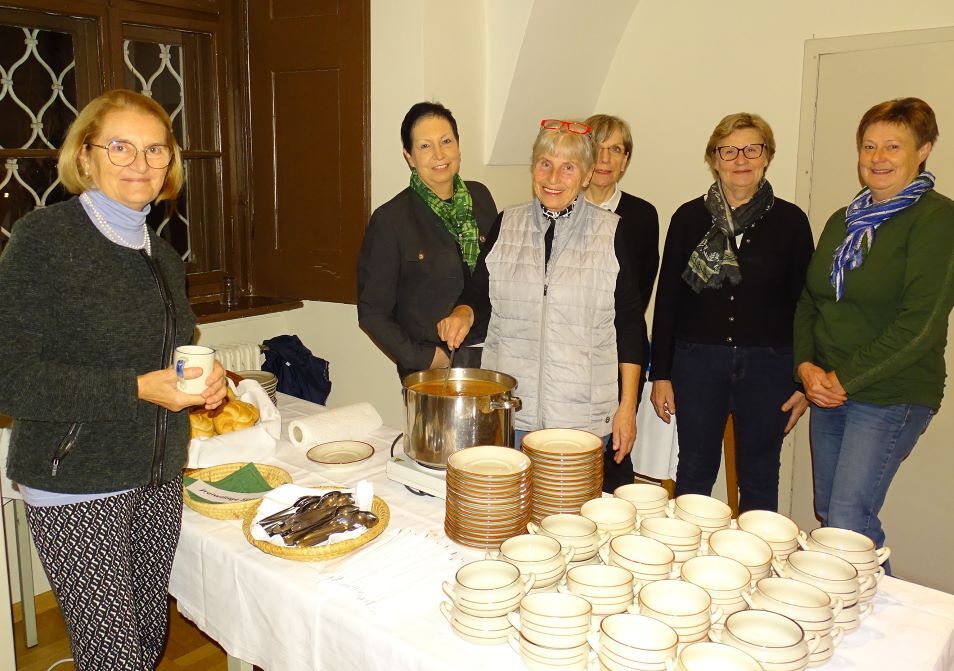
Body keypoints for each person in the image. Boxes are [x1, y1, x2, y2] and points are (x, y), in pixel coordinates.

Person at [0, 89, 227, 669]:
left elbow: (165, 356)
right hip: (77, 482)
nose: (140, 163)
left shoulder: (162, 254)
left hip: (155, 477)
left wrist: (206, 380)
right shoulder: (44, 238)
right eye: (120, 147)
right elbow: (11, 376)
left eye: (155, 150)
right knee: (114, 658)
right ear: (85, 156)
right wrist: (137, 388)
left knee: (146, 644)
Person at [794, 97, 954, 557]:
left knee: (848, 520)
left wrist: (843, 379)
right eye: (869, 146)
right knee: (831, 513)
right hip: (828, 388)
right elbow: (810, 299)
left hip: (890, 394)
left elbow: (920, 326)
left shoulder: (936, 219)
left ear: (923, 150)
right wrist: (806, 368)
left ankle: (886, 606)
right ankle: (854, 601)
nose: (878, 157)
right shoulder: (842, 221)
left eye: (892, 146)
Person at [439, 118, 644, 471]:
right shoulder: (506, 223)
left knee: (571, 506)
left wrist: (627, 408)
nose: (553, 178)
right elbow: (478, 292)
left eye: (568, 167)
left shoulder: (612, 232)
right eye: (545, 164)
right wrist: (462, 313)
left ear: (586, 175)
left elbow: (629, 327)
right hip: (510, 412)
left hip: (580, 420)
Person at [649, 112, 813, 513]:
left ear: (767, 156)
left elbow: (807, 305)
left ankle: (758, 552)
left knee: (760, 475)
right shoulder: (688, 218)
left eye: (752, 149)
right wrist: (661, 374)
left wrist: (803, 379)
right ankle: (687, 550)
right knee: (694, 469)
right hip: (697, 362)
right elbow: (668, 299)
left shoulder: (791, 221)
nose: (741, 159)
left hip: (768, 365)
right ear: (714, 159)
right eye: (729, 151)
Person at [357, 101, 497, 379]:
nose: (439, 154)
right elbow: (372, 311)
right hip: (433, 371)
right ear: (409, 157)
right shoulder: (391, 219)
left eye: (446, 141)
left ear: (458, 145)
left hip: (492, 356)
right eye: (425, 146)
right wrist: (425, 358)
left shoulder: (480, 197)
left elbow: (494, 273)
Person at [584, 113, 659, 491]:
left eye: (616, 149)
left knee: (614, 456)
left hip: (620, 355)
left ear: (626, 160)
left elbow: (637, 297)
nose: (605, 158)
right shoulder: (560, 208)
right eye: (597, 147)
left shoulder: (643, 216)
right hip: (567, 358)